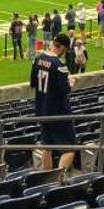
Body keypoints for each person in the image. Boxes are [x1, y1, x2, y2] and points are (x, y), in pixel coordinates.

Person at [31, 34, 76, 172]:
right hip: (58, 111)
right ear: (62, 47)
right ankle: (58, 180)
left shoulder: (38, 59)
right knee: (70, 148)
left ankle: (47, 178)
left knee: (47, 146)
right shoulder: (59, 65)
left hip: (42, 109)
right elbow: (64, 90)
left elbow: (33, 83)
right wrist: (71, 84)